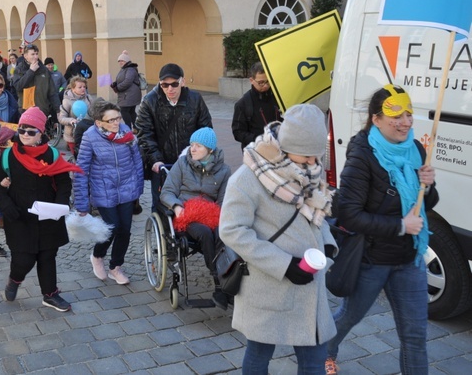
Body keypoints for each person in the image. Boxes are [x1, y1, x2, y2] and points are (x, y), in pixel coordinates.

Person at [325, 85, 438, 375]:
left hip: (408, 258)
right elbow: (348, 213)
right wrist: (401, 226)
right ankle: (325, 348)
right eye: (396, 115)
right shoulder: (362, 154)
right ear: (376, 119)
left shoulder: (415, 148)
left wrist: (429, 184)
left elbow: (425, 204)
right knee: (349, 316)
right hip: (370, 258)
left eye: (409, 114)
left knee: (415, 336)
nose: (405, 122)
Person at [220, 104, 337, 374]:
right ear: (286, 147)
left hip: (310, 286)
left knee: (314, 359)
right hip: (268, 285)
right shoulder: (248, 177)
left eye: (316, 156)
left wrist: (329, 246)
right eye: (306, 156)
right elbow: (232, 230)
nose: (312, 163)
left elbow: (314, 212)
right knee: (259, 354)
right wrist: (284, 265)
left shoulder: (310, 170)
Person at [0, 107, 82, 312]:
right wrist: (7, 207)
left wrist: (59, 205)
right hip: (19, 217)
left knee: (47, 256)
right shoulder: (8, 155)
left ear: (41, 133)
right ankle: (15, 279)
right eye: (22, 130)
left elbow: (64, 183)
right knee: (24, 258)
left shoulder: (52, 154)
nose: (25, 135)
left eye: (31, 131)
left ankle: (50, 294)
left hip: (48, 215)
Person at [160, 127, 232, 307]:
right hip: (186, 214)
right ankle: (218, 282)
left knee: (222, 233)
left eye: (198, 146)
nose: (192, 149)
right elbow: (167, 192)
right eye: (192, 145)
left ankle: (229, 276)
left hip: (211, 214)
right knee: (206, 233)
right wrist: (176, 206)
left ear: (210, 149)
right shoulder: (182, 164)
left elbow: (224, 201)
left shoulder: (223, 171)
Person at [74, 100, 144, 285]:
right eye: (111, 120)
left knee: (125, 230)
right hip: (103, 191)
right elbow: (81, 171)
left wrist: (138, 188)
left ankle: (115, 267)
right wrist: (81, 204)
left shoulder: (126, 132)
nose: (116, 123)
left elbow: (137, 160)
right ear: (99, 123)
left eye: (118, 118)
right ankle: (97, 256)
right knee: (111, 227)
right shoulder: (90, 137)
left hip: (127, 189)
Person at [135, 63, 212, 212]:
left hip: (190, 161)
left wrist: (199, 154)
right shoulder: (149, 101)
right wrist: (156, 159)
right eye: (165, 85)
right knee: (161, 204)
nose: (170, 89)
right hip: (162, 162)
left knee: (190, 201)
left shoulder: (195, 99)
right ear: (160, 83)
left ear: (182, 82)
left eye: (174, 84)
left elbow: (205, 130)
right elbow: (144, 133)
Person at [232, 61, 282, 151]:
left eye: (268, 81)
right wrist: (259, 140)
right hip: (255, 152)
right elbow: (238, 132)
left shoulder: (278, 97)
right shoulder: (242, 104)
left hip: (279, 149)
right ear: (252, 80)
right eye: (261, 82)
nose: (266, 85)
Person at [12, 44, 60, 118]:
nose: (35, 57)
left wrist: (58, 110)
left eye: (36, 54)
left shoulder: (44, 70)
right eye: (32, 54)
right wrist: (31, 71)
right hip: (26, 111)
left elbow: (52, 92)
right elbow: (18, 86)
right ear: (25, 56)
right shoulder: (19, 69)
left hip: (42, 110)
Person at [58, 76, 92, 156]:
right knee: (78, 157)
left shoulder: (88, 98)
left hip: (87, 134)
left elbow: (93, 112)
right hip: (72, 135)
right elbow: (61, 118)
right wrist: (71, 120)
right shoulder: (66, 101)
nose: (83, 89)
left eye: (84, 86)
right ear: (73, 88)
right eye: (80, 87)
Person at [111, 50, 142, 129]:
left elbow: (127, 81)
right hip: (128, 94)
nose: (120, 62)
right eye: (119, 61)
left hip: (129, 94)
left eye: (122, 61)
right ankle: (136, 127)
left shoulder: (130, 69)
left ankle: (128, 128)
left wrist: (118, 87)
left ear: (127, 61)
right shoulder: (125, 69)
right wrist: (115, 83)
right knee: (131, 111)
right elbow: (122, 79)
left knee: (124, 111)